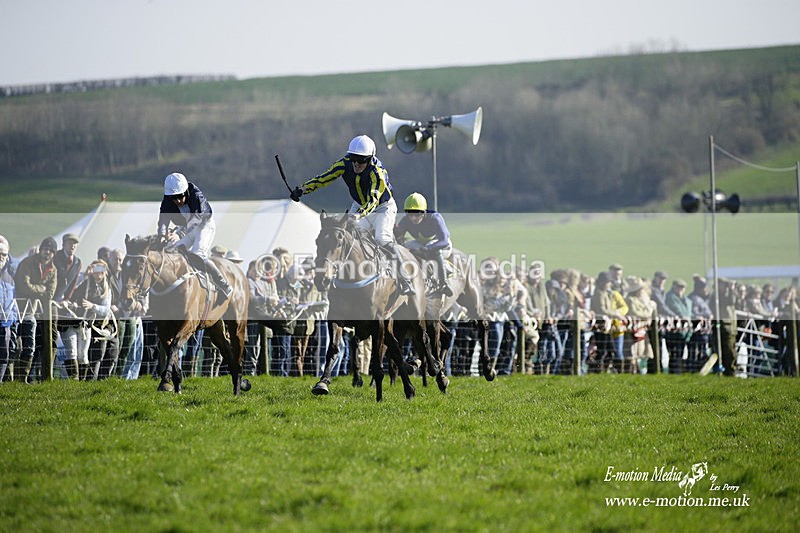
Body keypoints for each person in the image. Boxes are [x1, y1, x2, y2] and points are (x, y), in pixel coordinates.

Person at [289, 135, 412, 294]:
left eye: (361, 160)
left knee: (382, 238)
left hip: (382, 207)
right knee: (344, 238)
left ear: (369, 159)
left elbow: (373, 200)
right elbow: (325, 177)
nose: (356, 164)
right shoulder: (345, 163)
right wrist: (303, 189)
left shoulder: (378, 172)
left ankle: (405, 279)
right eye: (353, 158)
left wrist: (358, 215)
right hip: (359, 204)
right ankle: (338, 277)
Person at [157, 172, 232, 305]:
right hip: (185, 228)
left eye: (180, 196)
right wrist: (163, 235)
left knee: (198, 254)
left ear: (186, 191)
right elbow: (163, 219)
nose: (178, 201)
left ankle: (224, 284)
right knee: (170, 252)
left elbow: (196, 219)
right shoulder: (167, 200)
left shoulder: (196, 195)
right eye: (174, 198)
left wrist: (179, 234)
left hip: (204, 225)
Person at [13, 237, 58, 382]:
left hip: (34, 311)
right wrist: (41, 289)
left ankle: (22, 379)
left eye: (51, 251)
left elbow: (50, 294)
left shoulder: (53, 270)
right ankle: (10, 379)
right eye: (45, 249)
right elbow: (23, 285)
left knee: (30, 346)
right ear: (41, 250)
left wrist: (37, 289)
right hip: (18, 309)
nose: (47, 252)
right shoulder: (27, 263)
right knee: (15, 345)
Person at [394, 192, 453, 296]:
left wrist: (428, 248)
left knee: (431, 245)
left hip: (443, 246)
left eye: (417, 214)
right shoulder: (406, 220)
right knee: (404, 248)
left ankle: (444, 283)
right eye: (410, 214)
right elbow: (399, 237)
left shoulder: (435, 218)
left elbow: (443, 241)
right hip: (422, 245)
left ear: (424, 212)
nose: (413, 218)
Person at [0, 241, 16, 381]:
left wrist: (14, 318)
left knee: (4, 356)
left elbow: (13, 300)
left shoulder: (10, 278)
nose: (1, 257)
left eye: (4, 254)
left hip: (6, 324)